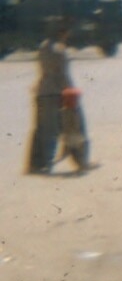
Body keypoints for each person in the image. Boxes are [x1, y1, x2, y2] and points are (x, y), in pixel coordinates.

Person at [26, 21, 85, 175]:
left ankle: (37, 163)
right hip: (57, 94)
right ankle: (78, 160)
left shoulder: (44, 46)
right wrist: (71, 92)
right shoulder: (59, 49)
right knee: (68, 128)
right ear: (61, 33)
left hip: (43, 92)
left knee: (42, 130)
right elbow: (62, 74)